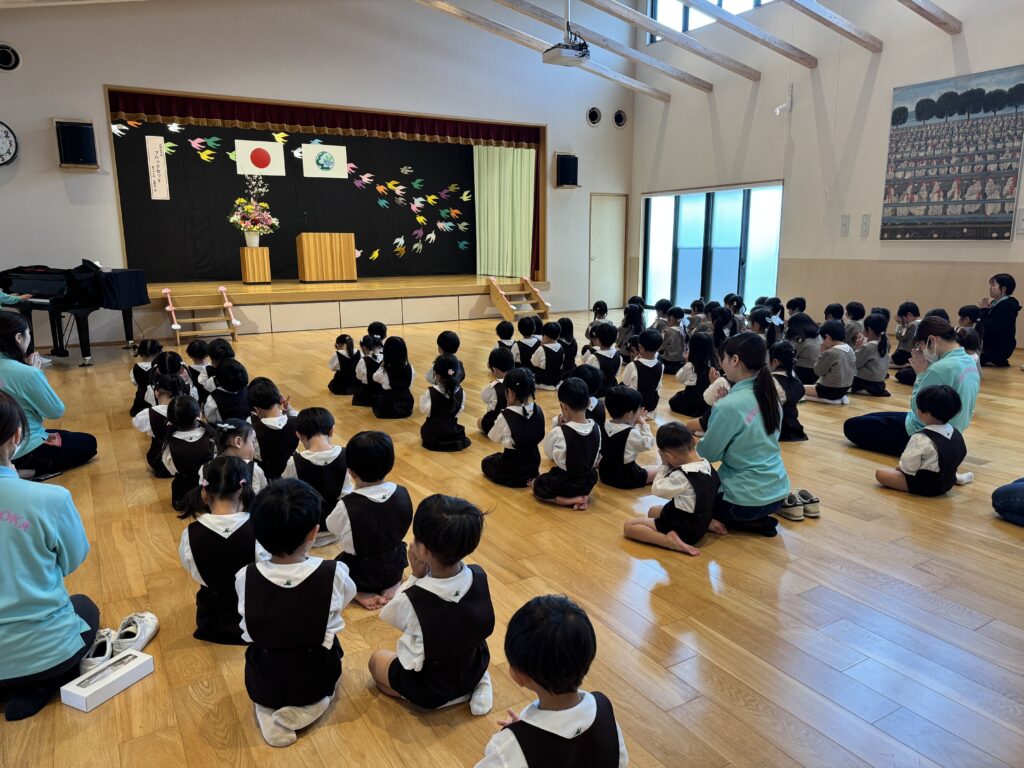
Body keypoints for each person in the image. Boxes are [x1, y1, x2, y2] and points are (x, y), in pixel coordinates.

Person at [0, 392, 98, 721]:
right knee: (84, 606)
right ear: (17, 435)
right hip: (44, 652)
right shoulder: (50, 498)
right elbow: (72, 561)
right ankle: (39, 682)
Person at [237, 478, 356, 748]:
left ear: (257, 533)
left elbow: (249, 622)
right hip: (315, 674)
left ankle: (267, 710)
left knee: (268, 688)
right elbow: (346, 597)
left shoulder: (245, 576)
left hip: (264, 677)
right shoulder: (334, 572)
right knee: (326, 688)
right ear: (314, 532)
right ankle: (304, 713)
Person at [369, 494, 494, 716]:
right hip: (474, 663)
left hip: (432, 688)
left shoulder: (413, 597)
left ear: (423, 550)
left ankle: (451, 696)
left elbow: (390, 615)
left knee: (375, 662)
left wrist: (415, 577)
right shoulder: (478, 574)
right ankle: (478, 681)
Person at [476, 595, 627, 767]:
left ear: (518, 676)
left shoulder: (508, 747)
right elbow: (620, 760)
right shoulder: (603, 708)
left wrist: (518, 738)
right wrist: (525, 732)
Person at [844, 316, 980, 457]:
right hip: (953, 432)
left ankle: (917, 451)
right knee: (870, 417)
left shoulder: (940, 368)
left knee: (851, 426)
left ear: (932, 340)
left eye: (921, 346)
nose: (921, 351)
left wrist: (921, 375)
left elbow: (917, 408)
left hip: (924, 432)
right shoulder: (969, 361)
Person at [698, 332, 789, 537]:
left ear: (735, 360)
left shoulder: (728, 405)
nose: (721, 363)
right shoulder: (770, 396)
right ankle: (756, 521)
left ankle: (739, 521)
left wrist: (715, 416)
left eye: (723, 358)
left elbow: (707, 455)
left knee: (686, 493)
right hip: (777, 495)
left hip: (742, 502)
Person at [0, 313, 97, 477]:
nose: (29, 337)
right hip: (20, 448)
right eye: (28, 333)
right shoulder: (27, 373)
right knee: (89, 443)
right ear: (18, 337)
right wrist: (36, 374)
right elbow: (55, 411)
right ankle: (22, 472)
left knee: (66, 436)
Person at [178, 455, 261, 644]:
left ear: (204, 493)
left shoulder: (190, 533)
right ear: (244, 490)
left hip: (212, 619)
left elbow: (190, 567)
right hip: (252, 614)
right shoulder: (258, 528)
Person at [326, 430, 413, 610]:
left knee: (336, 567)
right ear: (391, 464)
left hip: (361, 573)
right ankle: (393, 584)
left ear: (350, 471)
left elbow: (331, 526)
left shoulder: (347, 505)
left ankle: (358, 591)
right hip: (394, 563)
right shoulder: (402, 492)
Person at [623, 421, 721, 556]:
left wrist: (664, 465)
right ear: (694, 440)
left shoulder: (682, 475)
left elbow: (657, 489)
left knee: (629, 526)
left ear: (669, 456)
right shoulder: (706, 464)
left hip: (685, 530)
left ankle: (670, 541)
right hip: (700, 521)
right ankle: (707, 524)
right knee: (653, 511)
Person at [874, 385, 967, 497]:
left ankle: (952, 478)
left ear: (924, 413)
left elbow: (908, 467)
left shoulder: (920, 438)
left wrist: (900, 468)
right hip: (947, 481)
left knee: (880, 474)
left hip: (927, 485)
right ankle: (955, 477)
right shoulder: (955, 432)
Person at [282, 407, 348, 547]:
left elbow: (286, 494)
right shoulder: (345, 455)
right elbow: (346, 492)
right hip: (338, 527)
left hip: (308, 530)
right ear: (332, 430)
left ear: (299, 435)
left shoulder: (294, 461)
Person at [533, 378, 601, 510]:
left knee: (537, 485)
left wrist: (558, 427)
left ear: (563, 406)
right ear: (588, 403)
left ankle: (566, 500)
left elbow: (548, 452)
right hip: (588, 481)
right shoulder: (596, 427)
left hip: (566, 482)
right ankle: (583, 497)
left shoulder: (560, 432)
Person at [481, 368, 546, 488]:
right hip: (533, 462)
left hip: (512, 467)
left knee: (486, 462)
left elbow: (494, 437)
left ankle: (518, 480)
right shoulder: (538, 410)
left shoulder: (506, 415)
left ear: (509, 392)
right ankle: (528, 478)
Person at [164, 395, 216, 511]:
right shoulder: (211, 436)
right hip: (208, 490)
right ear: (199, 415)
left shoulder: (170, 441)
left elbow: (171, 469)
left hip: (183, 493)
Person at [598, 386, 657, 489]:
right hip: (626, 477)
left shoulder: (603, 425)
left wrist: (634, 422)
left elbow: (622, 430)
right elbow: (649, 443)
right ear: (629, 414)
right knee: (658, 469)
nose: (639, 412)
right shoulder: (631, 433)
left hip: (605, 473)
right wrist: (643, 423)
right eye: (638, 409)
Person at [132, 373, 188, 477]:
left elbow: (137, 423)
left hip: (160, 461)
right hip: (185, 460)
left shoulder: (149, 413)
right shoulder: (189, 408)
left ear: (157, 392)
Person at [248, 376, 299, 480]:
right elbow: (295, 415)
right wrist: (288, 409)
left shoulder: (252, 428)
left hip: (266, 477)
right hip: (292, 472)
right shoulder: (297, 422)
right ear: (280, 399)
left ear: (256, 410)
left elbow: (252, 455)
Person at [199, 419, 268, 494]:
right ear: (238, 442)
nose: (254, 447)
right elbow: (264, 496)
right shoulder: (253, 469)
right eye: (253, 441)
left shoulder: (205, 468)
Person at [420, 354, 471, 452]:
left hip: (433, 432)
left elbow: (423, 409)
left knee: (427, 430)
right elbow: (459, 411)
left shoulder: (430, 392)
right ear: (456, 373)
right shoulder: (462, 392)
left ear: (436, 374)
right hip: (451, 430)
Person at [669, 331, 718, 419]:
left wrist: (687, 363)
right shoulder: (714, 365)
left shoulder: (691, 366)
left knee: (673, 401)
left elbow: (679, 378)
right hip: (706, 403)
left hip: (692, 403)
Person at [804, 320, 855, 404]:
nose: (823, 342)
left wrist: (821, 354)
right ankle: (838, 398)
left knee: (800, 388)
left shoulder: (831, 352)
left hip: (829, 390)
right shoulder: (850, 349)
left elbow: (818, 371)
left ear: (827, 337)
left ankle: (831, 400)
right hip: (845, 389)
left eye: (823, 339)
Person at [978, 273, 1020, 366]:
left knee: (969, 357)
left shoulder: (1006, 306)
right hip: (992, 346)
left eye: (993, 285)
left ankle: (993, 360)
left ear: (1003, 288)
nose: (990, 288)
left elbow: (991, 328)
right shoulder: (996, 302)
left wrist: (984, 311)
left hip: (998, 348)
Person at [770, 341, 808, 442]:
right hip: (794, 426)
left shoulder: (771, 380)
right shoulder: (793, 375)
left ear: (775, 361)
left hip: (776, 428)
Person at [620, 329, 663, 413]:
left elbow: (625, 382)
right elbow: (658, 386)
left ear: (640, 347)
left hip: (634, 402)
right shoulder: (660, 365)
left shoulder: (632, 365)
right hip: (651, 403)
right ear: (659, 348)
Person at [373, 336, 416, 419]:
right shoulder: (410, 368)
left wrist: (382, 365)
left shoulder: (384, 370)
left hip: (387, 406)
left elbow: (375, 378)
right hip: (406, 405)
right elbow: (410, 382)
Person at [852, 312, 891, 397]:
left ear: (869, 330)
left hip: (867, 384)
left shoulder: (869, 347)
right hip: (879, 384)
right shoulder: (884, 344)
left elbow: (853, 364)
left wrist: (857, 347)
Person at [204, 358, 250, 423]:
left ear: (217, 380)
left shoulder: (213, 399)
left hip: (225, 427)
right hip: (247, 426)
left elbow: (210, 419)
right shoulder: (248, 389)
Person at [583, 323, 620, 397]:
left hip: (597, 392)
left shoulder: (594, 357)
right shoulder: (618, 355)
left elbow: (588, 377)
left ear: (598, 339)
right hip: (611, 389)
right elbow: (617, 374)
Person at [785, 312, 821, 385]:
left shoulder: (801, 339)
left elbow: (789, 353)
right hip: (816, 370)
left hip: (804, 371)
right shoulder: (817, 334)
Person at [129, 339, 163, 416]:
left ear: (140, 353)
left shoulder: (136, 367)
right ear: (158, 352)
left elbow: (134, 382)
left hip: (141, 397)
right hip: (157, 397)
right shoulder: (159, 367)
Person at [352, 334, 384, 407]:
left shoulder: (364, 360)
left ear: (364, 347)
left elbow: (359, 376)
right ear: (379, 346)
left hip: (368, 393)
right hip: (383, 391)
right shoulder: (386, 359)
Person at [531, 321, 565, 390]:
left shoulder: (541, 349)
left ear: (545, 336)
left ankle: (543, 385)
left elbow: (533, 362)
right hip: (557, 379)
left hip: (543, 379)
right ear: (558, 336)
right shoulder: (561, 347)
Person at [891, 301, 921, 368]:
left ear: (908, 315)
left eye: (902, 318)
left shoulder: (912, 325)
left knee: (887, 361)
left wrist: (900, 324)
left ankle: (907, 365)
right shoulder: (919, 322)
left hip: (907, 354)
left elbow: (900, 337)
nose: (903, 321)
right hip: (913, 353)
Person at [659, 306, 687, 375]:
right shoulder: (684, 330)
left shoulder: (669, 331)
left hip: (670, 364)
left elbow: (661, 347)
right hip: (682, 364)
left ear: (671, 318)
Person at [185, 339, 211, 406]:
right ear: (207, 354)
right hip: (213, 400)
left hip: (197, 402)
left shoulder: (188, 371)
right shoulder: (213, 367)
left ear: (190, 355)